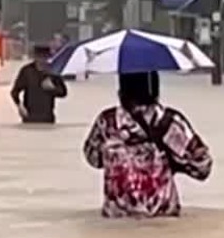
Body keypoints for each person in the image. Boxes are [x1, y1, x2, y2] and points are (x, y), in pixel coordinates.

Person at [83, 71, 212, 218]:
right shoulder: (169, 122)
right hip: (162, 220)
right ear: (155, 88)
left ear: (121, 88)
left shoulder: (106, 122)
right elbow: (203, 167)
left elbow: (92, 159)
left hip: (116, 219)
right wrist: (175, 162)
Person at [10, 45, 68, 124]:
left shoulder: (53, 72)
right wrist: (19, 106)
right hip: (29, 116)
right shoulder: (27, 71)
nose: (42, 60)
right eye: (40, 57)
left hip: (47, 118)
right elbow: (14, 92)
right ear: (35, 57)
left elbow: (63, 93)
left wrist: (53, 88)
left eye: (45, 57)